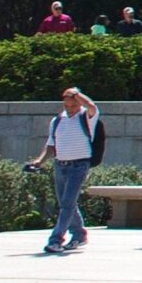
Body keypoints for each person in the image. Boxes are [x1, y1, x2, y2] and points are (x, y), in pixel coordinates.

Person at [28, 87, 102, 254]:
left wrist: (76, 94)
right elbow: (51, 145)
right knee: (65, 203)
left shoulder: (86, 117)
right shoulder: (58, 120)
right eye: (66, 106)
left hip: (79, 165)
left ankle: (56, 240)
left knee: (67, 203)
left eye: (73, 106)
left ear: (79, 103)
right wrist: (39, 161)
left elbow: (92, 107)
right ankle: (79, 234)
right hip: (60, 165)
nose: (69, 109)